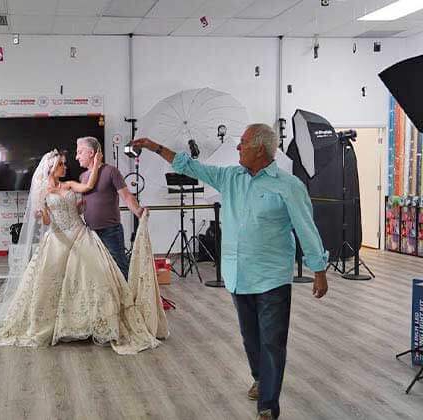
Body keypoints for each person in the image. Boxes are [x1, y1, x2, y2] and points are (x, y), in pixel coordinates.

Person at [132, 124, 329, 420]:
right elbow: (190, 166)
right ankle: (260, 378)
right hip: (238, 274)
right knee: (251, 338)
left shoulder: (289, 186)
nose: (238, 148)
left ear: (260, 149)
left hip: (272, 276)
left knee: (272, 341)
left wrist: (319, 269)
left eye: (243, 144)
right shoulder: (230, 177)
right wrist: (154, 146)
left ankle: (268, 406)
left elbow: (306, 228)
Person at [0, 149, 168, 354]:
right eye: (61, 165)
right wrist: (41, 214)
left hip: (81, 233)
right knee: (52, 283)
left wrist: (95, 168)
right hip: (58, 239)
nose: (66, 167)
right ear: (51, 168)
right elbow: (47, 222)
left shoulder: (69, 184)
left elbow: (88, 186)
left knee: (97, 278)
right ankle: (60, 324)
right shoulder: (43, 192)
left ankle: (94, 323)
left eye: (65, 164)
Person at [76, 136, 143, 279]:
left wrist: (138, 211)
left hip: (110, 231)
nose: (77, 157)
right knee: (96, 271)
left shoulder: (111, 171)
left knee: (120, 267)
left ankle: (127, 299)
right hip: (90, 232)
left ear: (91, 153)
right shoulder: (82, 176)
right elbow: (84, 205)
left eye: (80, 152)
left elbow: (127, 196)